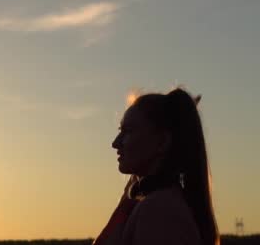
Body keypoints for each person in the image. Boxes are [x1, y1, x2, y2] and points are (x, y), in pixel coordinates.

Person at [94, 88, 219, 245]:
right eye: (121, 130)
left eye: (128, 131)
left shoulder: (158, 211)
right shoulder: (159, 205)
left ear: (162, 142)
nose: (115, 143)